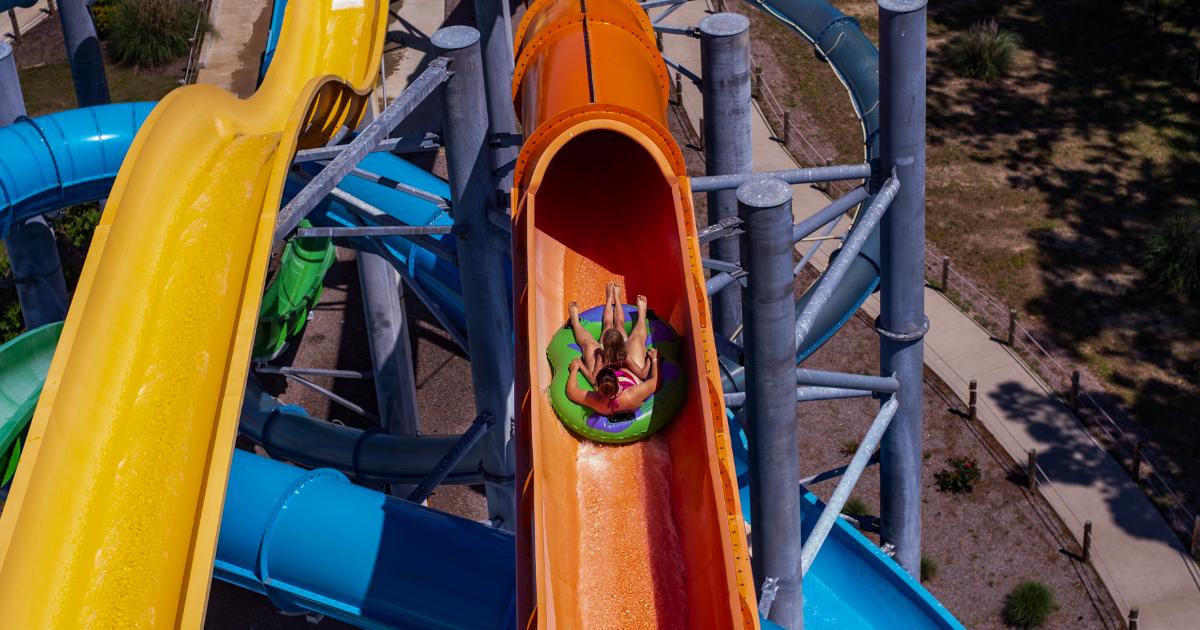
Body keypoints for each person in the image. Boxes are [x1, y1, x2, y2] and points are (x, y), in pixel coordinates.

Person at [567, 283, 653, 384]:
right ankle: (617, 299)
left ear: (603, 345)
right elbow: (643, 374)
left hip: (608, 356)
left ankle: (577, 322)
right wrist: (651, 359)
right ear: (623, 344)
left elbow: (593, 380)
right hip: (619, 353)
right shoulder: (624, 356)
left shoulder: (601, 355)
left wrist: (580, 365)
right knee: (619, 325)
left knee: (607, 325)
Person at [567, 348, 660, 417]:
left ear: (598, 388)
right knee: (636, 339)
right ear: (617, 380)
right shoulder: (633, 394)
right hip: (629, 379)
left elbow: (571, 391)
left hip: (609, 389)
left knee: (590, 346)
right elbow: (656, 381)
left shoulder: (597, 401)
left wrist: (574, 370)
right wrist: (654, 359)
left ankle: (599, 352)